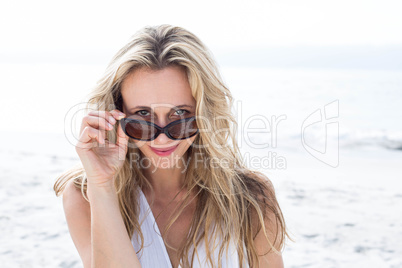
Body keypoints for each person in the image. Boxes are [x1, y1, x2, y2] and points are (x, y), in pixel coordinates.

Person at [54, 24, 291, 268]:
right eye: (143, 114)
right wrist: (102, 185)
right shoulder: (84, 195)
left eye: (180, 114)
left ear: (204, 113)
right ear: (117, 112)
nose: (162, 138)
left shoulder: (250, 199)